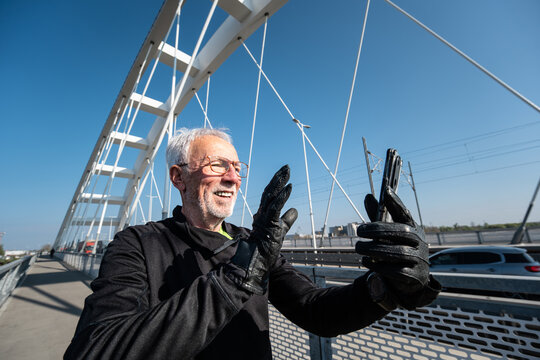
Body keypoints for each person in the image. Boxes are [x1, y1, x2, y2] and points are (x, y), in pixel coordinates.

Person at [65, 128, 440, 359]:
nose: (232, 178)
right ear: (178, 177)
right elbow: (96, 350)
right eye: (217, 165)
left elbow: (316, 310)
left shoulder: (251, 242)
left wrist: (381, 288)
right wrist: (237, 278)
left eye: (237, 167)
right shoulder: (136, 244)